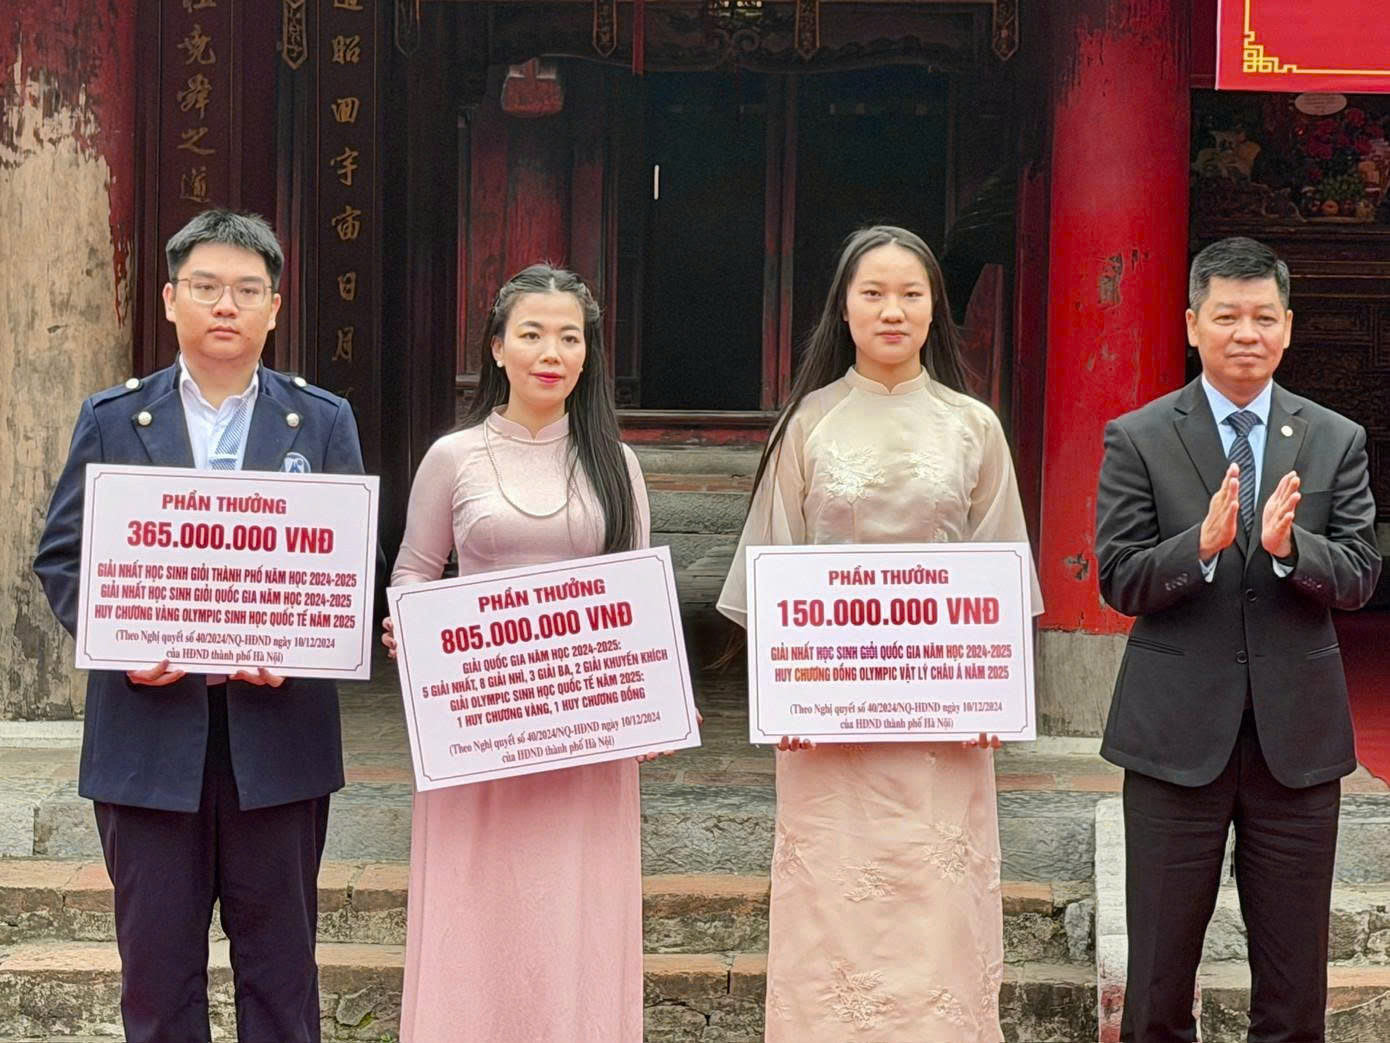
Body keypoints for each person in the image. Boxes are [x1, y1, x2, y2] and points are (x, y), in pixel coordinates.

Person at [33, 208, 365, 1043]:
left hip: (278, 741)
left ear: (275, 308)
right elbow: (63, 556)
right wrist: (119, 640)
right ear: (170, 298)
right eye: (207, 286)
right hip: (147, 741)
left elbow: (354, 567)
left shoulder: (323, 420)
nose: (226, 304)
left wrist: (300, 647)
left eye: (247, 290)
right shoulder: (114, 418)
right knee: (156, 980)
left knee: (281, 979)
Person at [717, 225, 1041, 1042]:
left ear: (935, 309)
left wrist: (995, 697)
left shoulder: (974, 427)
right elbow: (770, 569)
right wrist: (782, 695)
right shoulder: (808, 424)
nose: (892, 310)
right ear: (844, 308)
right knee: (831, 913)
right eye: (873, 293)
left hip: (944, 727)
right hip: (828, 727)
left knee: (937, 915)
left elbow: (1001, 578)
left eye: (910, 294)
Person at [1095, 236, 1382, 1043]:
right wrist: (1199, 546)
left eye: (1263, 316)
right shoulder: (1140, 436)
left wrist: (1292, 549)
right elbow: (1118, 577)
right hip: (1174, 739)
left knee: (1294, 990)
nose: (1245, 333)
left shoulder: (1335, 438)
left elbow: (1361, 574)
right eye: (1226, 316)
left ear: (1288, 326)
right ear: (1193, 324)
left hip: (1296, 743)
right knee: (1158, 982)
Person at [383, 264, 655, 1042]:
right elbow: (413, 571)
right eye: (532, 334)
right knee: (477, 907)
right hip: (480, 732)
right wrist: (411, 627)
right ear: (497, 347)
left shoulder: (616, 464)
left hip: (586, 738)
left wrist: (658, 693)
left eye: (570, 337)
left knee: (575, 911)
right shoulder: (454, 456)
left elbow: (637, 594)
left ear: (588, 354)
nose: (551, 353)